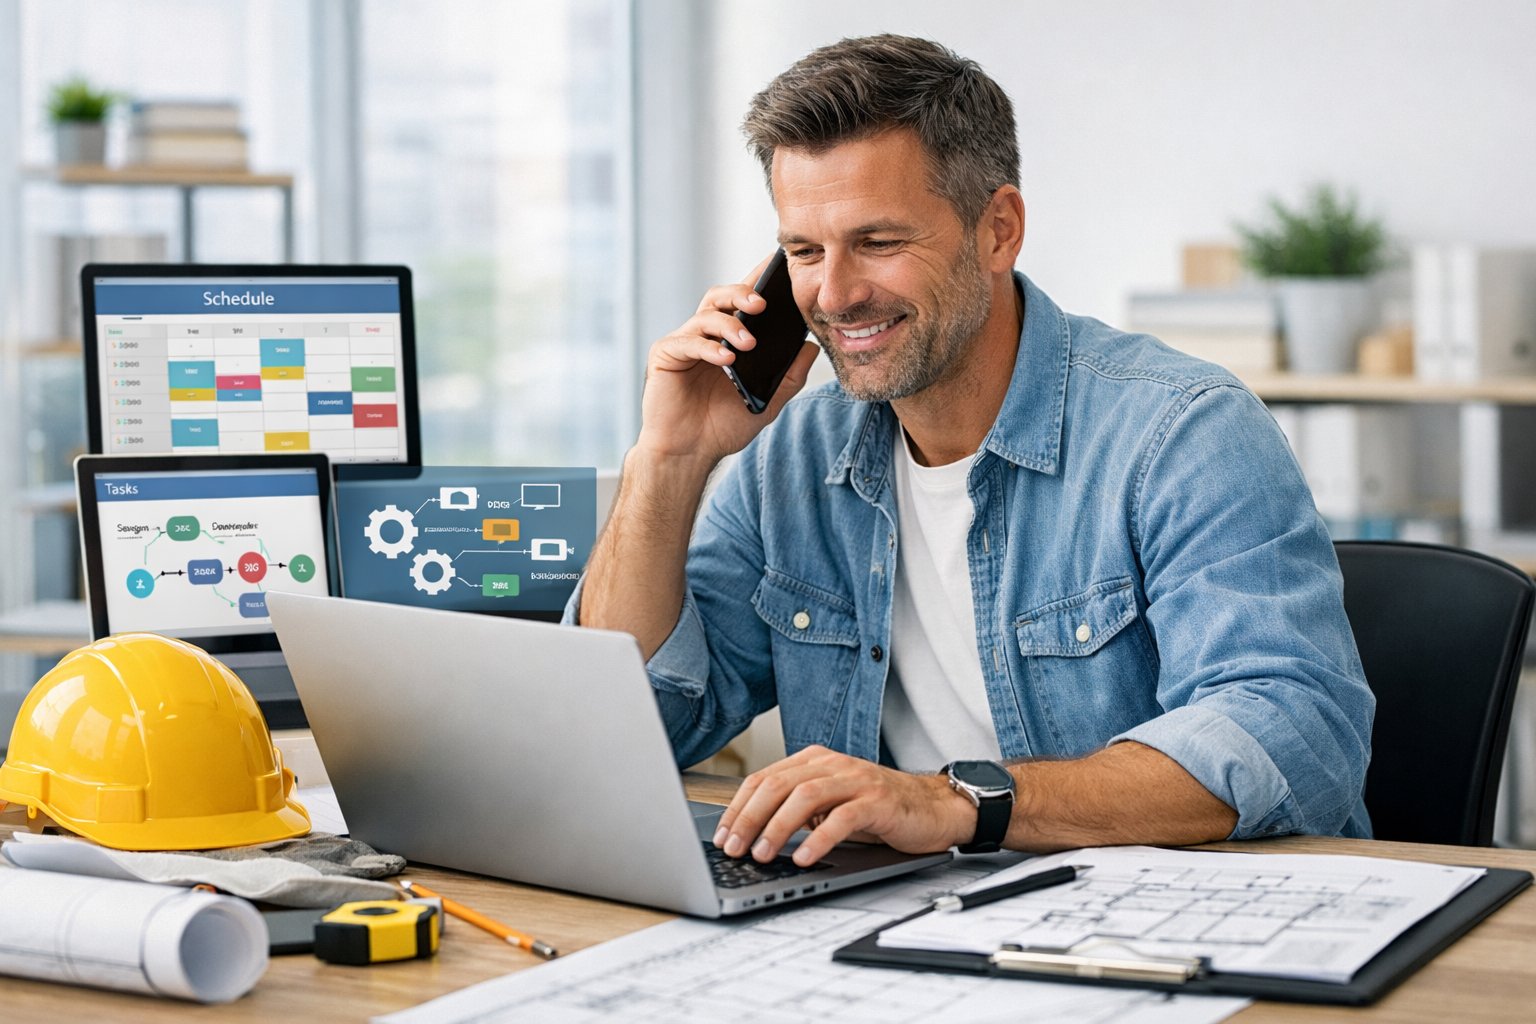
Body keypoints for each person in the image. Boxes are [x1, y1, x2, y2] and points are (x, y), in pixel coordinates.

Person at [570, 34, 1373, 868]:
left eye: (877, 242)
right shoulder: (795, 456)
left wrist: (957, 801)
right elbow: (635, 728)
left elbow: (1292, 735)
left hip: (1173, 925)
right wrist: (667, 458)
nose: (835, 294)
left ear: (998, 230)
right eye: (804, 252)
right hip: (897, 918)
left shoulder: (1183, 433)